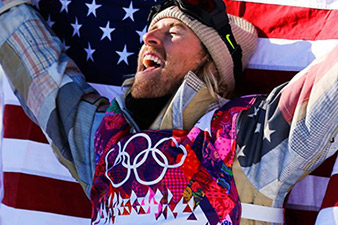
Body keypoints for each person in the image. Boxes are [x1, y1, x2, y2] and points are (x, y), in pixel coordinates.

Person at [0, 0, 337, 224]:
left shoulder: (240, 138)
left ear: (210, 61)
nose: (149, 37)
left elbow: (326, 91)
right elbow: (43, 75)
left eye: (173, 32)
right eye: (152, 31)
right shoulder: (104, 144)